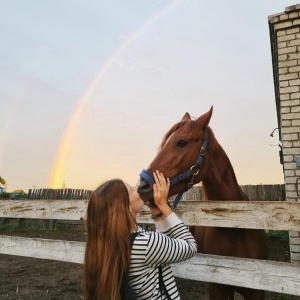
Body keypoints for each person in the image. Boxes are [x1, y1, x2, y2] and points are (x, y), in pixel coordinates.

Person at [83, 170, 197, 300]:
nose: (137, 189)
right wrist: (163, 205)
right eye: (131, 190)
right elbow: (190, 246)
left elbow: (163, 245)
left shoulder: (114, 241)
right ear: (127, 207)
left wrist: (155, 210)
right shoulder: (146, 243)